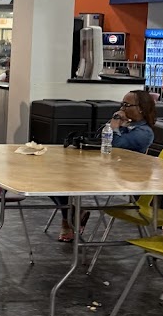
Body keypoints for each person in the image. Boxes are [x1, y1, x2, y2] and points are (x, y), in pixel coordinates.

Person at [53, 90, 157, 241]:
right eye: (122, 104)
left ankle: (69, 217)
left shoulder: (144, 132)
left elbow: (116, 145)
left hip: (121, 176)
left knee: (62, 178)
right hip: (104, 166)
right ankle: (72, 214)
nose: (122, 108)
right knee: (55, 176)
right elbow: (99, 137)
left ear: (140, 108)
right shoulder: (125, 123)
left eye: (126, 105)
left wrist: (114, 126)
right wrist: (114, 124)